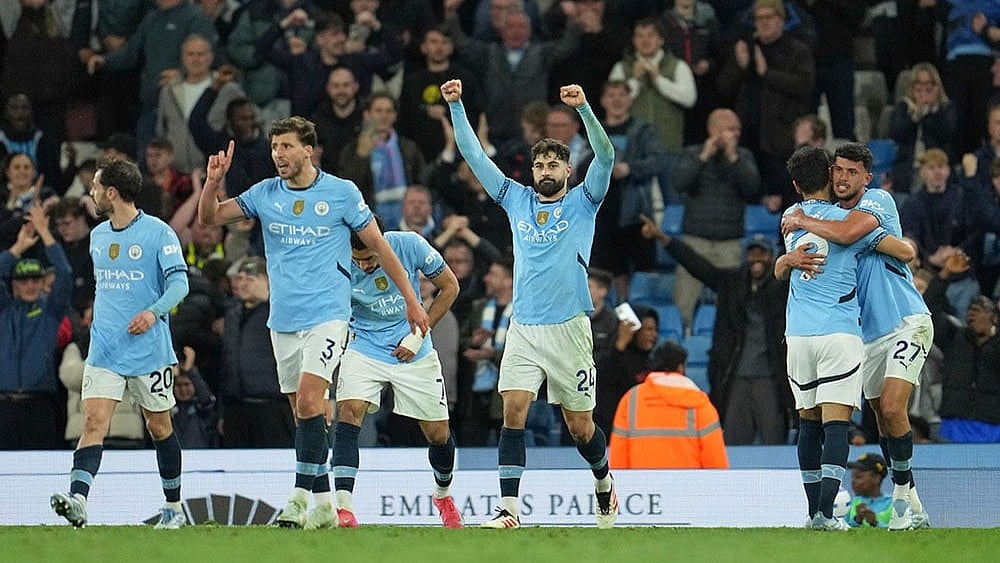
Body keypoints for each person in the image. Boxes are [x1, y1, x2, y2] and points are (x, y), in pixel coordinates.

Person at [197, 117, 429, 528]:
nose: (278, 155)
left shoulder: (341, 193)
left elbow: (380, 245)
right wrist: (214, 180)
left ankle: (298, 498)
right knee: (304, 412)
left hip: (328, 314)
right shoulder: (265, 193)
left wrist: (411, 300)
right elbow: (210, 218)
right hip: (283, 318)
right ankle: (324, 502)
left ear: (309, 150)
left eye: (286, 146)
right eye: (274, 148)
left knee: (309, 401)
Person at [443, 78, 618, 529]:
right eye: (538, 163)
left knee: (581, 428)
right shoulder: (516, 199)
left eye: (552, 164)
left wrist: (583, 111)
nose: (544, 169)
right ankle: (509, 510)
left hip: (569, 330)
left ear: (565, 170)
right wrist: (458, 106)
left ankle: (603, 480)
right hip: (523, 327)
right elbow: (475, 157)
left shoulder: (585, 201)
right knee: (513, 410)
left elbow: (607, 155)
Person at [780, 142, 934, 529]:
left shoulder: (876, 202)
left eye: (853, 172)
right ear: (829, 175)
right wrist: (786, 259)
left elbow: (893, 246)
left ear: (867, 177)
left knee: (895, 407)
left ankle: (899, 495)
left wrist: (801, 222)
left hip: (906, 319)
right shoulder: (833, 218)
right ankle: (912, 500)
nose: (844, 178)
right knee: (881, 416)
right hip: (865, 333)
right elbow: (852, 238)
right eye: (839, 171)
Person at [50, 157, 191, 529]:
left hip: (149, 351)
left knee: (159, 427)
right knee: (94, 422)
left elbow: (180, 284)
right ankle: (78, 500)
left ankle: (174, 508)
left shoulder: (159, 233)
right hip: (105, 351)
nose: (91, 193)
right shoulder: (98, 237)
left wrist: (154, 312)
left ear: (112, 192)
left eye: (95, 186)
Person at [330, 220, 462, 529]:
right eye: (357, 259)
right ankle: (344, 508)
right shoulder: (333, 258)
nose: (363, 266)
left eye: (370, 258)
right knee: (348, 411)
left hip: (413, 347)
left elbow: (451, 286)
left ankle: (443, 495)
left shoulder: (409, 245)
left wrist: (417, 336)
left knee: (438, 433)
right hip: (364, 344)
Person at [641, 218, 790, 445]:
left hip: (771, 379)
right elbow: (696, 265)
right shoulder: (730, 283)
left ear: (772, 258)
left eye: (763, 254)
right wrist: (664, 238)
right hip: (735, 379)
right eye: (752, 253)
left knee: (776, 446)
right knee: (733, 448)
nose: (757, 259)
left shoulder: (782, 289)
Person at [1, 204, 72, 450]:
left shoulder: (50, 312)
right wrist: (18, 248)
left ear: (43, 283)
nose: (30, 285)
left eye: (35, 279)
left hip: (40, 407)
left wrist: (45, 232)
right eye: (23, 280)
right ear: (14, 285)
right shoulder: (3, 310)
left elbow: (64, 273)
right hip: (4, 406)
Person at [609, 339, 728, 469]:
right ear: (681, 367)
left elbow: (617, 457)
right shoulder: (700, 404)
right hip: (688, 487)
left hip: (641, 487)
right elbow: (716, 463)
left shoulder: (630, 400)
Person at [218, 256, 295, 448]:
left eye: (250, 279)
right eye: (240, 278)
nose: (243, 284)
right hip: (236, 408)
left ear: (267, 279)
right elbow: (226, 361)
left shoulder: (281, 312)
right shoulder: (232, 314)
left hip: (272, 407)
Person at [844, 453, 893, 528]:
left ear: (876, 478)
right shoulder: (852, 503)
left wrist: (875, 523)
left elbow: (900, 531)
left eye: (858, 476)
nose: (853, 481)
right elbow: (842, 529)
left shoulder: (893, 504)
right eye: (852, 477)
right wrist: (856, 520)